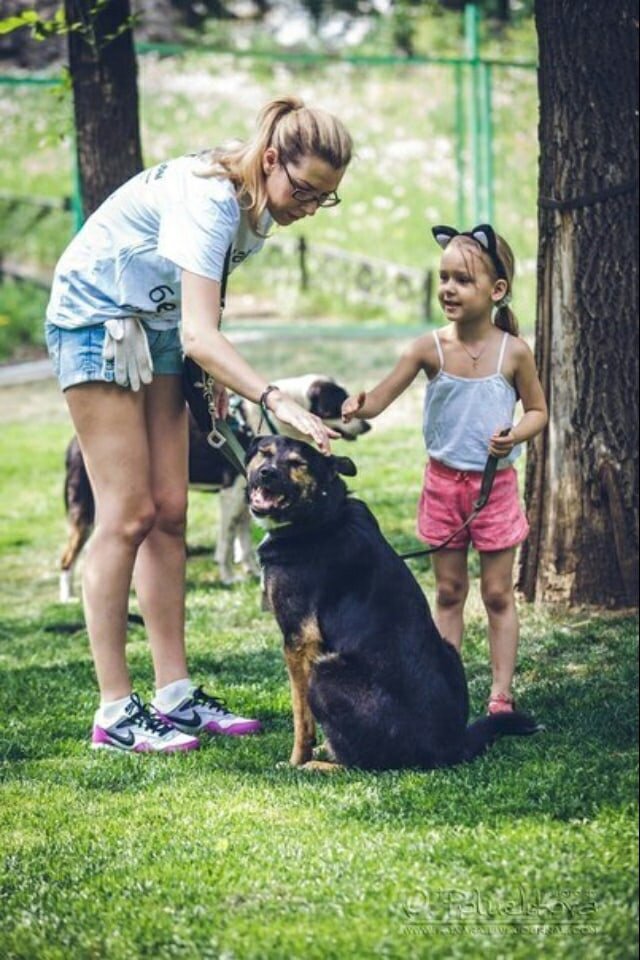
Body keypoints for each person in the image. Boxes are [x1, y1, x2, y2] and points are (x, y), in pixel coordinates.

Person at [45, 95, 353, 752]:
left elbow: (200, 305)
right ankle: (115, 712)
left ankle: (174, 694)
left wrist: (209, 373)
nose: (309, 206)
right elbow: (200, 330)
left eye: (325, 197)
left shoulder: (254, 206)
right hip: (96, 319)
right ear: (270, 159)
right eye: (304, 189)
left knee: (173, 509)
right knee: (126, 515)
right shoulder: (212, 199)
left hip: (153, 329)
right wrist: (275, 399)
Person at [342, 224, 548, 714]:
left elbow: (538, 412)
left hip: (495, 489)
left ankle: (501, 694)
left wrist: (515, 435)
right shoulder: (428, 348)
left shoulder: (513, 352)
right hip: (443, 487)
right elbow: (382, 397)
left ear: (496, 291)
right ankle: (443, 691)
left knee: (498, 593)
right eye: (444, 278)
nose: (448, 289)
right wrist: (359, 405)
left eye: (462, 280)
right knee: (450, 591)